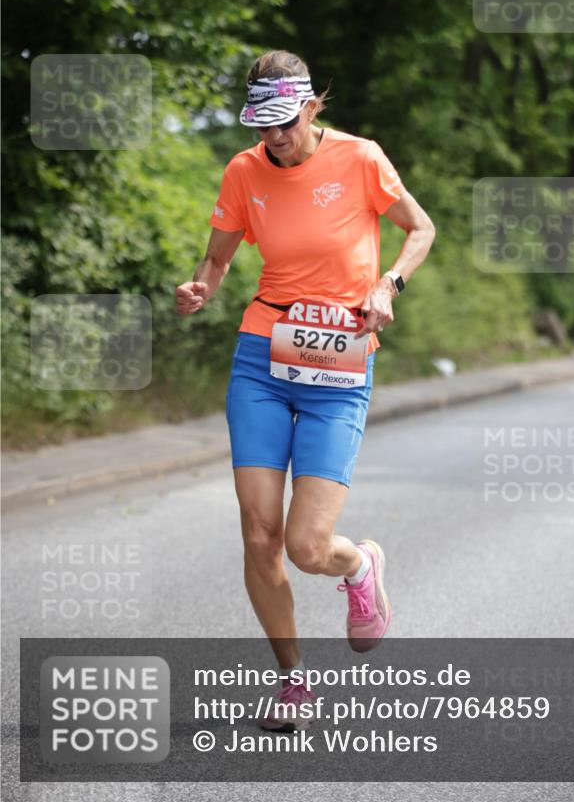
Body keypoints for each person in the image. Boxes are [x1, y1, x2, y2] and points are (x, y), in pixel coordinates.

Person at [176, 50, 435, 730]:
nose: (274, 139)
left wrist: (387, 285)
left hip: (340, 366)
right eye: (263, 127)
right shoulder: (243, 171)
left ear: (311, 108)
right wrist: (200, 286)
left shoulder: (360, 158)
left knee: (306, 546)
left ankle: (358, 565)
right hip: (262, 357)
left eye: (285, 124)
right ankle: (293, 680)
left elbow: (421, 228)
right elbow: (218, 256)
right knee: (259, 537)